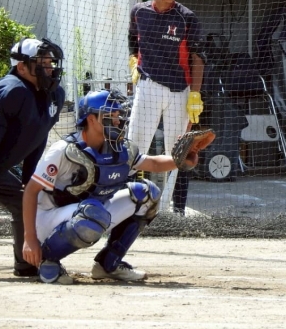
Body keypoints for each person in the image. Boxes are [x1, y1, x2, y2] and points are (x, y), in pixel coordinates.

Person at [21, 89, 199, 284]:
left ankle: (108, 264)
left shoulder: (117, 148)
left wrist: (181, 160)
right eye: (110, 115)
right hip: (48, 219)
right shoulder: (63, 150)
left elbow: (154, 164)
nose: (117, 120)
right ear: (91, 119)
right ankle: (47, 260)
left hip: (89, 212)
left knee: (146, 194)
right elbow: (30, 191)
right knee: (92, 213)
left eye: (118, 115)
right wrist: (30, 239)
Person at [128, 0, 207, 215]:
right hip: (148, 86)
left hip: (179, 91)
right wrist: (133, 60)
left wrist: (195, 94)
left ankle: (175, 211)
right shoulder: (139, 12)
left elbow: (198, 57)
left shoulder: (187, 17)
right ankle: (133, 206)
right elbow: (133, 40)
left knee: (179, 150)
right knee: (135, 147)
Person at [0, 38, 65, 278]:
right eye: (42, 63)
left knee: (25, 200)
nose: (49, 68)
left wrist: (29, 179)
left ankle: (26, 265)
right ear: (22, 67)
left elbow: (38, 135)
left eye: (50, 63)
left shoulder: (54, 94)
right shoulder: (11, 91)